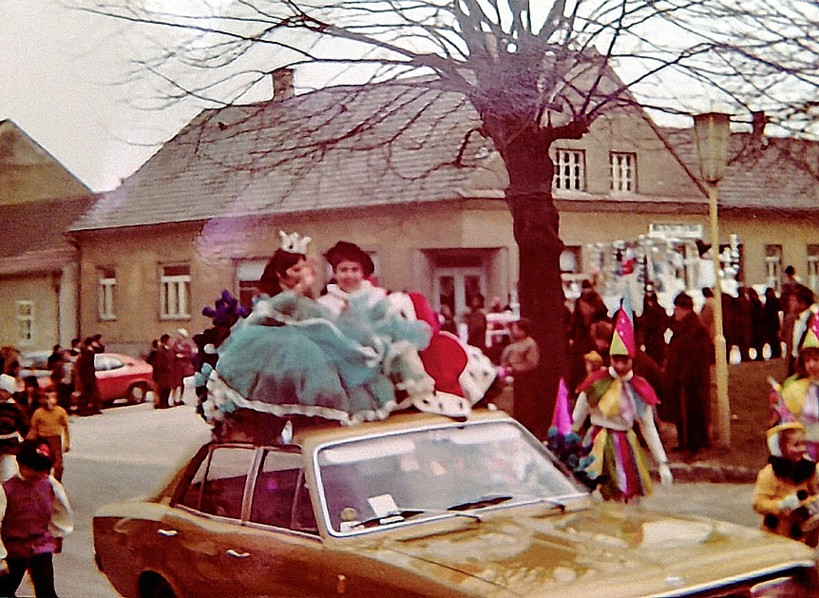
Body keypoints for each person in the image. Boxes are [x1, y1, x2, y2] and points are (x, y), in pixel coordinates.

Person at [572, 305, 673, 501]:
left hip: (626, 446)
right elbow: (577, 417)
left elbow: (647, 426)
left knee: (627, 492)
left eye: (624, 361)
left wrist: (662, 462)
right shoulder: (595, 383)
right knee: (593, 493)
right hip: (596, 444)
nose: (619, 365)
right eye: (615, 360)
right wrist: (566, 445)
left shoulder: (639, 388)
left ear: (632, 360)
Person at [0, 439, 73, 598]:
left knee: (46, 590)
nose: (40, 475)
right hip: (13, 548)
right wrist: (0, 557)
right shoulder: (7, 488)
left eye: (43, 471)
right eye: (35, 471)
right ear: (21, 466)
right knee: (5, 589)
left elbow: (60, 510)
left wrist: (58, 533)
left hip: (40, 545)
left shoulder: (49, 485)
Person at [753, 422, 819, 547]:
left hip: (804, 534)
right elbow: (758, 504)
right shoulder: (770, 473)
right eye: (796, 445)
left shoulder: (809, 469)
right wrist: (782, 505)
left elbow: (814, 492)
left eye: (804, 444)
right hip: (776, 535)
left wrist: (809, 504)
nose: (802, 449)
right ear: (781, 447)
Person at [665, 292, 713, 455]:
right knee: (681, 410)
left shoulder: (695, 330)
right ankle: (684, 441)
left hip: (692, 379)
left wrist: (684, 373)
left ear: (685, 310)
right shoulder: (681, 328)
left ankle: (695, 443)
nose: (675, 312)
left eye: (677, 309)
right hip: (679, 376)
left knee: (693, 410)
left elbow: (697, 356)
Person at [778, 313, 819, 460]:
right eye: (807, 360)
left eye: (816, 359)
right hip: (804, 451)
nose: (811, 365)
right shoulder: (794, 388)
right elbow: (785, 423)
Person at [498, 318, 543, 436]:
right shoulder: (514, 343)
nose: (514, 331)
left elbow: (532, 363)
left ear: (523, 331)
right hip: (514, 379)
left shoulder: (530, 344)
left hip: (526, 380)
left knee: (526, 407)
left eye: (516, 329)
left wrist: (515, 368)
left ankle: (528, 430)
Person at [27, 391, 70, 482]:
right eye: (46, 398)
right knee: (43, 460)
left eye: (51, 398)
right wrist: (29, 442)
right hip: (42, 439)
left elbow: (66, 428)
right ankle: (44, 480)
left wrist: (67, 442)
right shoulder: (38, 413)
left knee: (58, 462)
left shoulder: (60, 411)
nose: (48, 401)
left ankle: (57, 481)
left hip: (55, 439)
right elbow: (33, 428)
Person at [0, 375, 28, 482]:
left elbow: (25, 427)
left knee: (7, 474)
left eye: (4, 391)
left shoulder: (16, 409)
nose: (1, 393)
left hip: (9, 446)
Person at [785, 284, 816, 377]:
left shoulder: (814, 319)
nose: (789, 303)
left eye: (792, 300)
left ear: (802, 302)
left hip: (809, 366)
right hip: (793, 365)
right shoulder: (790, 319)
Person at [74, 338, 101, 416]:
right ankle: (86, 409)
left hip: (88, 376)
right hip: (87, 376)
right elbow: (85, 366)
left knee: (90, 393)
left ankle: (91, 408)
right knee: (87, 393)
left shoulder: (86, 352)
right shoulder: (87, 353)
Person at [170, 329, 195, 406]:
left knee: (181, 384)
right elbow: (171, 354)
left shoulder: (187, 346)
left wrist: (183, 355)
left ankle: (180, 398)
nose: (178, 337)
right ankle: (173, 399)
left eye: (180, 336)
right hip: (175, 367)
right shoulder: (174, 345)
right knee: (174, 384)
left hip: (183, 368)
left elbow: (190, 355)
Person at [152, 334, 174, 410]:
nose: (171, 342)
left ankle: (166, 403)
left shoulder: (169, 350)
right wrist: (167, 367)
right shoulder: (160, 351)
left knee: (168, 388)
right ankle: (162, 403)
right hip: (163, 373)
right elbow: (160, 363)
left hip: (168, 373)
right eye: (169, 340)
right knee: (163, 388)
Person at [763, 288, 782, 359]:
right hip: (773, 322)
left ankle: (776, 353)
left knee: (773, 339)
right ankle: (776, 352)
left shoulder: (770, 301)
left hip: (772, 322)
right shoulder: (773, 301)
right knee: (774, 339)